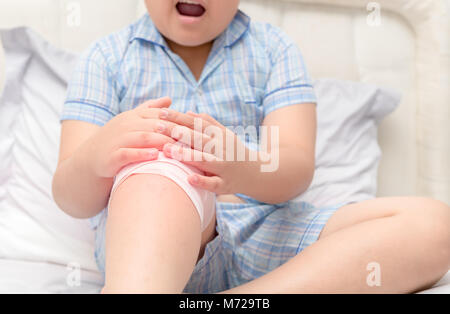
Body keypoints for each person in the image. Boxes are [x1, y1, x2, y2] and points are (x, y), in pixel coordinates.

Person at [52, 0, 450, 293]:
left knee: (436, 225)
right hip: (151, 243)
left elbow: (295, 169)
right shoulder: (106, 58)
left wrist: (241, 168)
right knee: (159, 176)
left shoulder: (273, 49)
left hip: (267, 232)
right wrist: (96, 155)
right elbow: (70, 197)